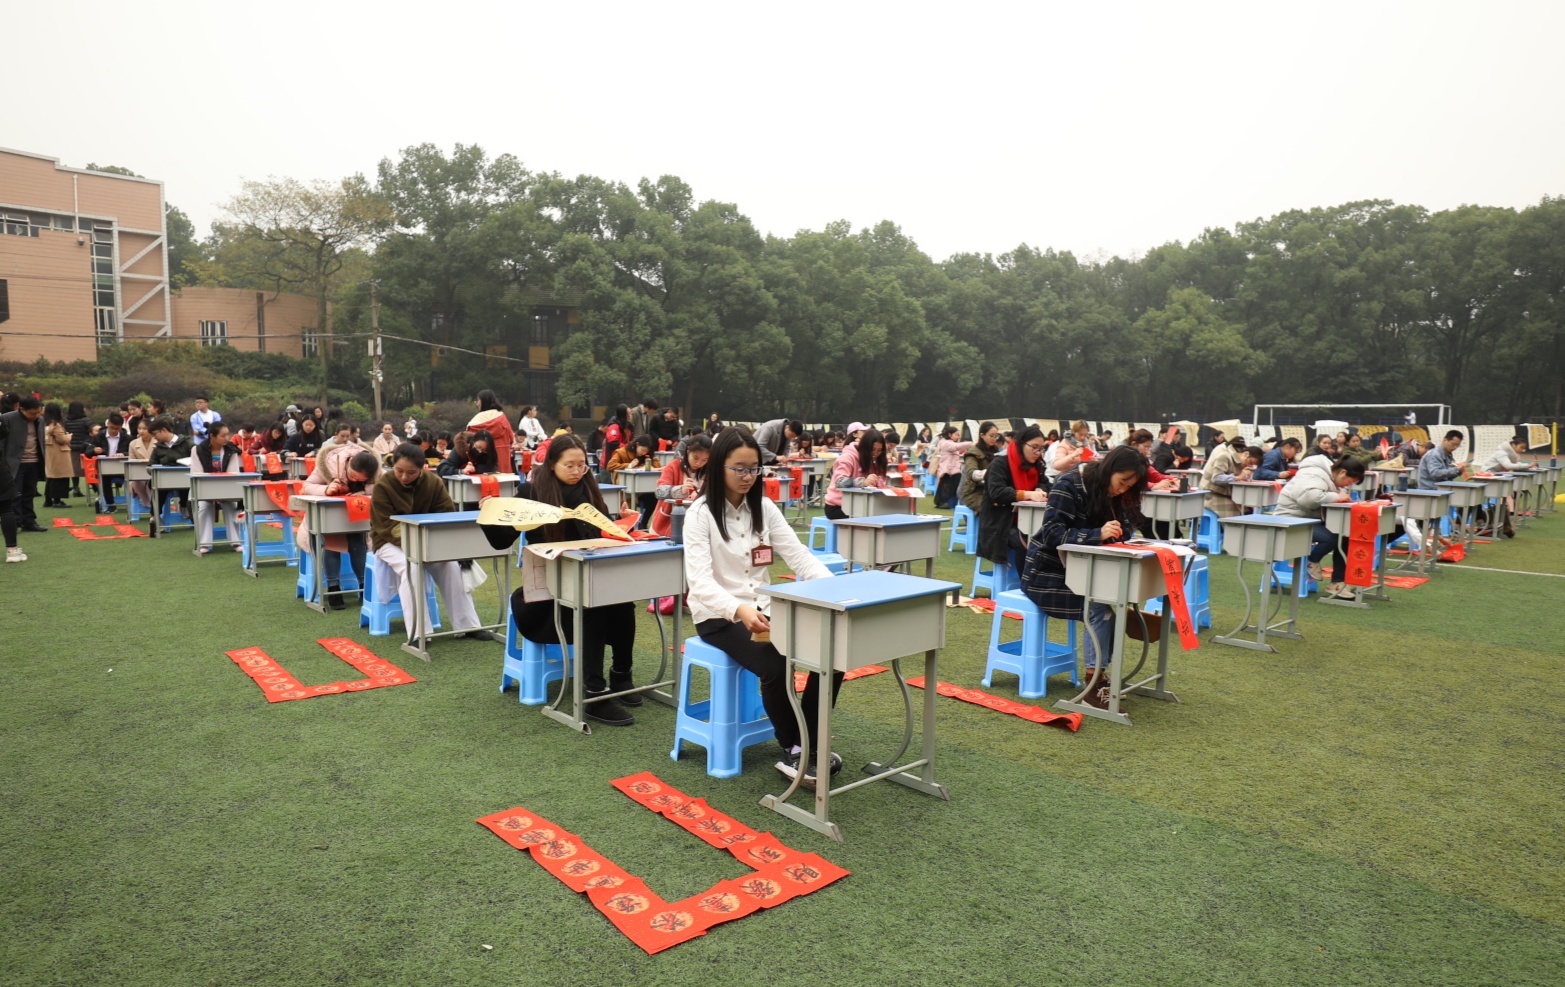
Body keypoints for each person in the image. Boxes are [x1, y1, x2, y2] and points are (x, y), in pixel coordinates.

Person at [683, 426, 841, 782]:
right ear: (718, 467)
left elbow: (799, 556)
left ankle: (811, 740)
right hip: (718, 615)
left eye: (754, 469)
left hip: (765, 609)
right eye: (739, 468)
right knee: (776, 664)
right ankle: (794, 749)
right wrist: (739, 610)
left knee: (832, 653)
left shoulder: (764, 507)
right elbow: (701, 583)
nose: (747, 476)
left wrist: (833, 589)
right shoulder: (700, 514)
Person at [479, 435, 638, 725]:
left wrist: (622, 523)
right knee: (592, 607)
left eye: (582, 465)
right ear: (552, 464)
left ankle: (621, 675)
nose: (577, 471)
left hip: (585, 580)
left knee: (622, 602)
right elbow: (502, 540)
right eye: (570, 465)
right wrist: (490, 513)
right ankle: (594, 694)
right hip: (546, 593)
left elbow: (602, 534)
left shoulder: (588, 490)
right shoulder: (531, 492)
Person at [1019, 445, 1149, 704]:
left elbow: (1125, 527)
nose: (1122, 490)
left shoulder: (1109, 490)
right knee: (1099, 604)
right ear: (1110, 469)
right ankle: (1093, 682)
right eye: (1122, 482)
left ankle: (1100, 674)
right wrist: (1097, 534)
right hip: (1046, 573)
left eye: (1129, 486)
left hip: (1085, 572)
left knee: (1113, 600)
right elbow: (1052, 533)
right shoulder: (1068, 484)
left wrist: (1118, 531)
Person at [371, 444, 496, 644]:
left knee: (451, 566)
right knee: (412, 567)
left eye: (411, 472)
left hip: (428, 538)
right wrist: (417, 541)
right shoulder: (383, 486)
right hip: (389, 541)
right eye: (399, 471)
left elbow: (446, 514)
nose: (404, 477)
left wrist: (431, 540)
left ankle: (468, 625)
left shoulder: (433, 482)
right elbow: (385, 526)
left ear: (422, 468)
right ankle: (419, 632)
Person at [1275, 454, 1368, 601]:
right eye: (1349, 481)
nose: (1347, 485)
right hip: (1290, 519)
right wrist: (1337, 497)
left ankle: (1337, 583)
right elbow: (1310, 499)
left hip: (1308, 519)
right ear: (1342, 472)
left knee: (1344, 534)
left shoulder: (1327, 477)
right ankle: (1312, 560)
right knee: (1332, 537)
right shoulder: (1313, 473)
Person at [298, 445, 381, 608]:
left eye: (360, 480)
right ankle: (333, 587)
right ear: (349, 462)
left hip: (356, 515)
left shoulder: (375, 469)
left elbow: (384, 487)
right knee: (331, 542)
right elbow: (307, 486)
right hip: (328, 515)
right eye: (352, 476)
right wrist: (326, 489)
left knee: (358, 541)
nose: (354, 481)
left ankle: (364, 586)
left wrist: (366, 492)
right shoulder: (329, 464)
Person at [981, 424, 1049, 573]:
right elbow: (997, 493)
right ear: (1021, 444)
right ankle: (1026, 582)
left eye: (1041, 449)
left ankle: (1042, 580)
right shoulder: (1000, 463)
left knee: (1050, 538)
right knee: (1025, 542)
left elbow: (1046, 483)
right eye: (1034, 447)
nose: (1038, 453)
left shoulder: (1036, 466)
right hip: (1001, 522)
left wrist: (1040, 489)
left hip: (1030, 520)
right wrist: (1027, 494)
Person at [189, 423, 245, 555]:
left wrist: (222, 492)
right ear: (212, 436)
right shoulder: (197, 450)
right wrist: (211, 491)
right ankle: (204, 543)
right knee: (204, 507)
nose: (226, 438)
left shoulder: (231, 450)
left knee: (231, 506)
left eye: (227, 435)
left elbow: (233, 473)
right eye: (223, 435)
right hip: (203, 489)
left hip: (226, 488)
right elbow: (197, 473)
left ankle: (236, 542)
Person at [1, 398, 48, 532]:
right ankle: (15, 522)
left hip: (34, 462)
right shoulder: (7, 418)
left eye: (38, 412)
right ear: (21, 409)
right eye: (33, 413)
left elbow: (40, 441)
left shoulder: (40, 420)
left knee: (29, 493)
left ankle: (29, 521)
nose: (36, 416)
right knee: (15, 494)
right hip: (14, 463)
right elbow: (2, 443)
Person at [652, 433, 711, 538]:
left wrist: (701, 494)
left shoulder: (709, 471)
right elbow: (659, 491)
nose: (698, 463)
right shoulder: (674, 466)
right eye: (695, 457)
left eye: (704, 460)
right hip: (668, 524)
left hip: (698, 524)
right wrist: (681, 490)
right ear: (688, 451)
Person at [823, 427, 889, 520]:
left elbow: (881, 479)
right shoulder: (847, 458)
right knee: (872, 517)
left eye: (879, 450)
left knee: (885, 512)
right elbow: (839, 481)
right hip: (838, 506)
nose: (875, 453)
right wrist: (863, 482)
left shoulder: (875, 459)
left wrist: (877, 481)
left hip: (862, 504)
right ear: (865, 447)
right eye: (873, 450)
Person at [147, 418, 193, 534]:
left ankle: (185, 507)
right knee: (157, 487)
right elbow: (150, 466)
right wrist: (156, 469)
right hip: (164, 479)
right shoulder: (158, 448)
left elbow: (197, 457)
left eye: (155, 434)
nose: (154, 437)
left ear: (164, 430)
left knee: (188, 484)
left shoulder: (187, 443)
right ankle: (155, 517)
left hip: (185, 478)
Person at [1200, 436, 1261, 519]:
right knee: (1238, 514)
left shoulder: (1239, 462)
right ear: (1246, 454)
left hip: (1224, 493)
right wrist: (1239, 477)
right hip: (1211, 494)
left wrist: (1245, 477)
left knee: (1248, 510)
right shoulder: (1224, 456)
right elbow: (1216, 478)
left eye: (1252, 465)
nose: (1248, 465)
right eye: (1249, 462)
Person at [607, 434, 657, 526]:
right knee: (628, 501)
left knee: (654, 497)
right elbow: (610, 466)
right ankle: (625, 524)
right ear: (637, 444)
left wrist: (648, 463)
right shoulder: (622, 452)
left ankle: (643, 523)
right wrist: (629, 465)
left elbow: (658, 466)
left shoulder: (647, 456)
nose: (644, 453)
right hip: (626, 488)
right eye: (642, 450)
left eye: (646, 451)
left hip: (643, 488)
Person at [89, 412, 132, 511]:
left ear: (121, 427)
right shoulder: (99, 436)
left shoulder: (127, 438)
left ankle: (132, 504)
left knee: (133, 479)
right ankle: (110, 504)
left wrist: (124, 454)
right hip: (105, 469)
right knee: (104, 478)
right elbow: (87, 452)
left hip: (123, 468)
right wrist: (94, 450)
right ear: (108, 424)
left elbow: (132, 452)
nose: (114, 431)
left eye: (117, 429)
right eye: (112, 428)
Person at [959, 421, 1002, 515]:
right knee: (991, 509)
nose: (994, 439)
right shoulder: (972, 452)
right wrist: (991, 473)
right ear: (982, 435)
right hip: (974, 492)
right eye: (991, 436)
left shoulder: (996, 451)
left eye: (996, 436)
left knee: (1006, 506)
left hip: (991, 490)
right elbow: (972, 473)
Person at [468, 389, 515, 473]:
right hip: (503, 459)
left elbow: (469, 444)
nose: (476, 403)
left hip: (484, 463)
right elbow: (511, 438)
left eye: (478, 400)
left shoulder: (475, 423)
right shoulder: (502, 418)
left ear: (483, 401)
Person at [42, 403, 75, 508]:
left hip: (50, 453)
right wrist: (69, 436)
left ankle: (48, 500)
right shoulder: (56, 425)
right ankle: (57, 501)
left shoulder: (45, 424)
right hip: (60, 453)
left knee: (51, 477)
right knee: (60, 477)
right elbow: (62, 439)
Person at [932, 425, 973, 509]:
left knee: (952, 488)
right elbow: (956, 447)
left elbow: (957, 449)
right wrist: (971, 444)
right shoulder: (946, 443)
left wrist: (963, 449)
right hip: (949, 470)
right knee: (948, 488)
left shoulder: (949, 443)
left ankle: (949, 503)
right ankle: (944, 503)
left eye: (959, 435)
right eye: (956, 435)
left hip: (954, 470)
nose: (958, 437)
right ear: (950, 435)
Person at [1045, 420, 1094, 486]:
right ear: (1073, 432)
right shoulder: (1064, 444)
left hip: (1083, 479)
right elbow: (1056, 465)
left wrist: (1093, 461)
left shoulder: (1086, 444)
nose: (1083, 437)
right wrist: (1072, 455)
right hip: (1067, 480)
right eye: (1080, 434)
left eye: (1085, 435)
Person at [64, 400, 93, 498]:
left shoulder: (66, 421)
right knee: (89, 469)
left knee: (74, 470)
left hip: (71, 448)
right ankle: (95, 486)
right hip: (84, 448)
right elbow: (91, 432)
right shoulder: (86, 421)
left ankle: (76, 488)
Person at [127, 419, 155, 511]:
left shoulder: (158, 442)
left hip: (154, 474)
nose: (141, 431)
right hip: (138, 475)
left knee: (151, 484)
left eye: (144, 429)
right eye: (139, 428)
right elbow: (131, 462)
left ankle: (154, 506)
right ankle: (148, 504)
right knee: (137, 483)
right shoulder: (133, 444)